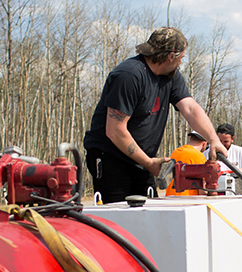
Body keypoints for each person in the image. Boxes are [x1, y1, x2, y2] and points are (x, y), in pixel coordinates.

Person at [83, 27, 227, 203]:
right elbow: (115, 130)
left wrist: (213, 139)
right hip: (111, 156)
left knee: (147, 213)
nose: (182, 61)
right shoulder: (129, 76)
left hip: (142, 160)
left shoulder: (171, 77)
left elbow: (190, 108)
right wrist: (149, 163)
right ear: (170, 56)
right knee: (119, 214)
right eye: (181, 57)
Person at [165, 131, 208, 196]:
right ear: (204, 144)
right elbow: (203, 191)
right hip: (188, 201)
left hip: (170, 198)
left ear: (190, 138)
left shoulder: (176, 152)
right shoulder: (199, 156)